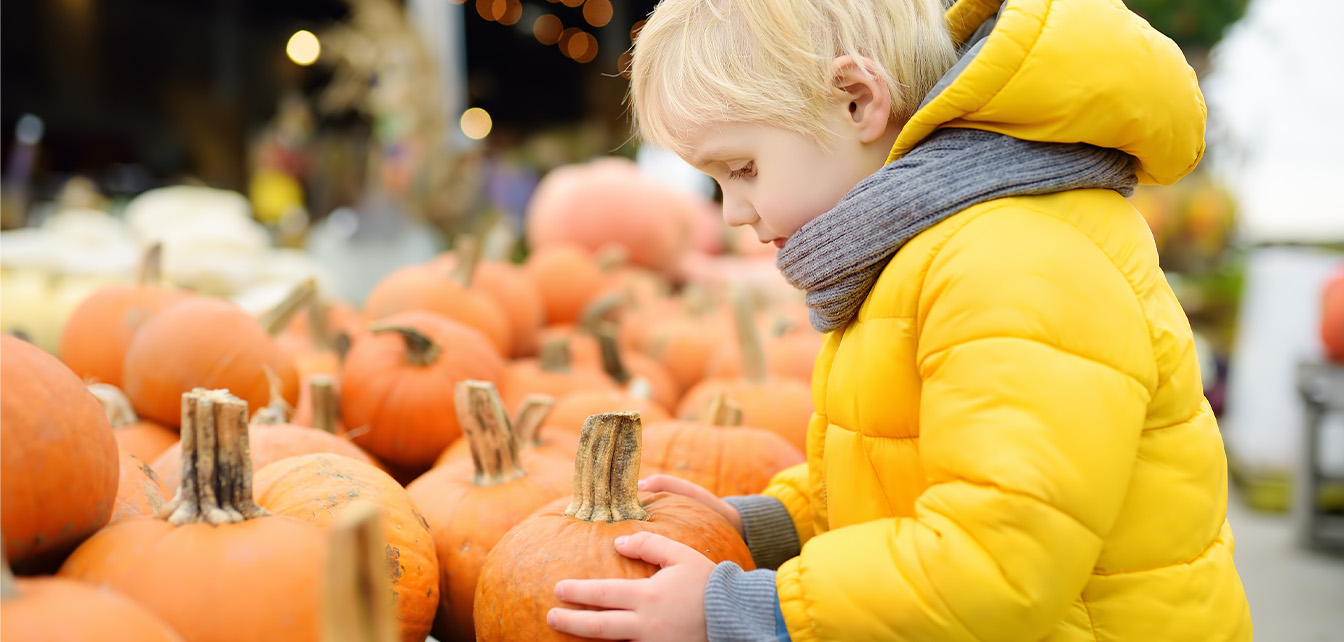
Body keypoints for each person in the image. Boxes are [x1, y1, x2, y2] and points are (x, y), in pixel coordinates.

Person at [546, 0, 1254, 639]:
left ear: (857, 101)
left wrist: (749, 608)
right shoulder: (922, 253)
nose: (732, 211)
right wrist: (760, 529)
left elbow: (996, 564)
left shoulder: (1011, 264)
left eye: (744, 168)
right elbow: (895, 485)